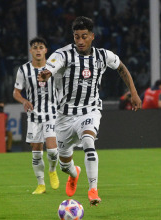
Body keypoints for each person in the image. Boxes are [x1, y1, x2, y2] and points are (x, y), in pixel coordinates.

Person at [38, 16, 142, 205]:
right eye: (76, 36)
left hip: (90, 111)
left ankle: (93, 189)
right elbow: (52, 67)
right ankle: (74, 172)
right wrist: (47, 74)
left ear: (92, 36)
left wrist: (133, 92)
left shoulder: (103, 55)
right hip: (64, 116)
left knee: (88, 141)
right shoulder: (63, 54)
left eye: (84, 36)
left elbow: (121, 68)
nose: (79, 41)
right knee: (64, 163)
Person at [13, 37, 59, 195]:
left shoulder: (54, 68)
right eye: (35, 47)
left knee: (53, 151)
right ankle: (41, 185)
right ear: (31, 51)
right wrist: (24, 100)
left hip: (52, 113)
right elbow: (16, 93)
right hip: (33, 116)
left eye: (41, 47)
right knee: (37, 152)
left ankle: (52, 170)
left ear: (46, 50)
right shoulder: (24, 70)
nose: (38, 50)